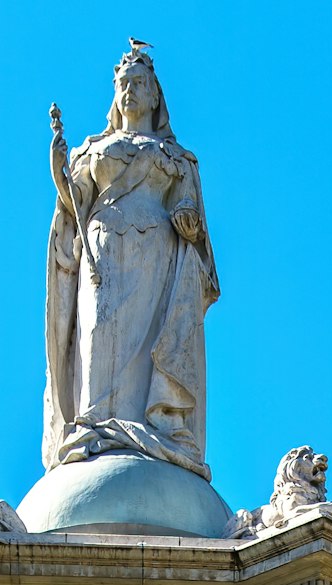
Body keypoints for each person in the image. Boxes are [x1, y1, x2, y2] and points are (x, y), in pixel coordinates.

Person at [44, 43, 219, 482]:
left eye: (140, 83)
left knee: (153, 339)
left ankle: (152, 425)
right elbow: (74, 209)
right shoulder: (93, 149)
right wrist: (59, 172)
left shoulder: (179, 159)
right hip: (103, 248)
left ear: (156, 95)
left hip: (158, 254)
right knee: (99, 333)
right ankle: (94, 424)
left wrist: (189, 223)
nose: (131, 91)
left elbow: (193, 224)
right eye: (124, 84)